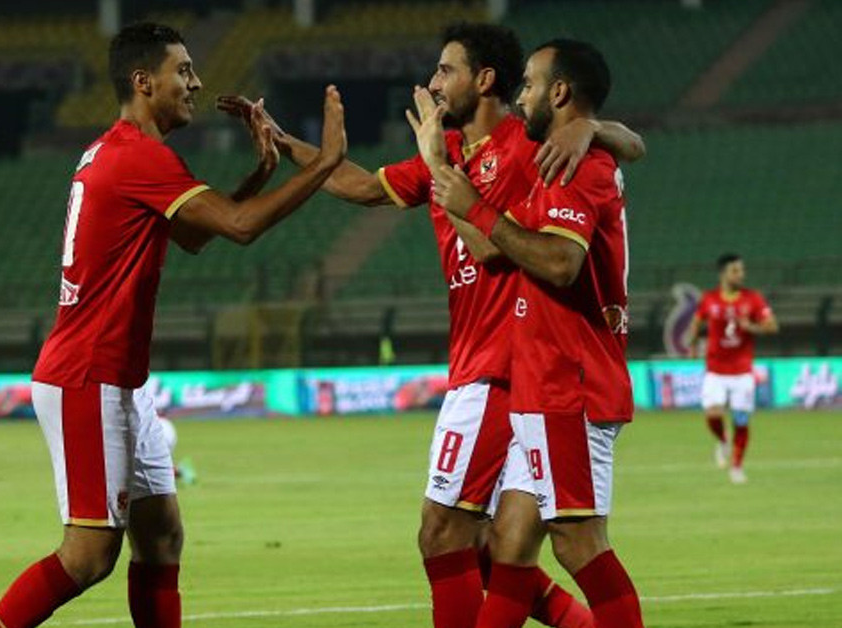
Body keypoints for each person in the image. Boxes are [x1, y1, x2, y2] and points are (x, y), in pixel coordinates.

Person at [221, 22, 644, 628]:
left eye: (446, 70)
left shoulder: (524, 145)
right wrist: (285, 141)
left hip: (506, 366)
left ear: (485, 79)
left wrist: (591, 127)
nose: (434, 83)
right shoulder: (444, 152)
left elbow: (589, 170)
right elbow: (360, 186)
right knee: (503, 545)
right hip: (490, 365)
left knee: (447, 532)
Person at [0, 22, 347, 628]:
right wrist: (326, 163)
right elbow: (240, 227)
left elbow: (194, 236)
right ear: (144, 81)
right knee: (89, 556)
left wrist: (260, 173)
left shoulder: (116, 152)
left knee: (161, 536)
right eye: (184, 71)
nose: (196, 83)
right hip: (87, 375)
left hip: (117, 379)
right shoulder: (140, 158)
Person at [427, 38, 644, 628]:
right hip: (543, 380)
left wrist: (474, 206)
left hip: (567, 379)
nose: (520, 97)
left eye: (528, 84)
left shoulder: (576, 165)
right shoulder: (559, 157)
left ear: (560, 91)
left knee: (580, 543)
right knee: (511, 545)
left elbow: (559, 263)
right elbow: (494, 246)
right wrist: (452, 180)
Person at [684, 253, 778, 483]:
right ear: (723, 274)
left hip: (742, 370)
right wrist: (692, 346)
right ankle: (723, 439)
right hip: (715, 368)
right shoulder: (709, 299)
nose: (740, 275)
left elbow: (772, 326)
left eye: (741, 270)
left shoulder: (753, 299)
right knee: (712, 414)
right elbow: (696, 322)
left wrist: (751, 327)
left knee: (741, 420)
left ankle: (737, 466)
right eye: (735, 270)